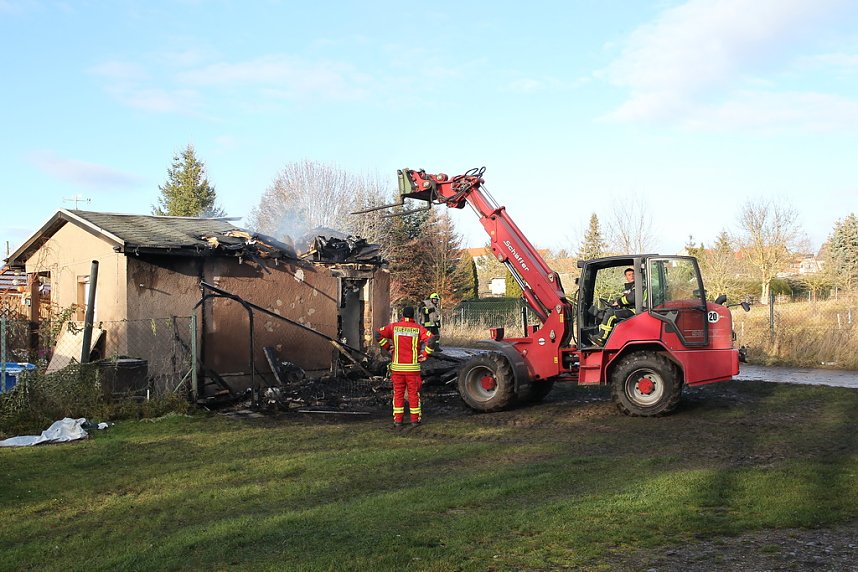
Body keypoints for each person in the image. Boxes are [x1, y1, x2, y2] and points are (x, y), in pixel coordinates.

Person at [376, 306, 435, 427]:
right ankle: (414, 420)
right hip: (412, 369)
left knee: (398, 394)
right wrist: (425, 354)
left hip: (397, 369)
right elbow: (432, 340)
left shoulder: (394, 327)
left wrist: (388, 347)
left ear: (402, 314)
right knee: (413, 394)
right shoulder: (418, 328)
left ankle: (398, 420)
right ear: (413, 315)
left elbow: (378, 335)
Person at [593, 267, 638, 346]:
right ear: (626, 277)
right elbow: (625, 298)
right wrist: (616, 303)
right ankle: (606, 337)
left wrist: (618, 302)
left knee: (611, 314)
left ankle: (601, 338)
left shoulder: (637, 285)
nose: (632, 276)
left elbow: (631, 298)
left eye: (633, 274)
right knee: (606, 312)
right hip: (630, 309)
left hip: (636, 311)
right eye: (629, 275)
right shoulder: (629, 287)